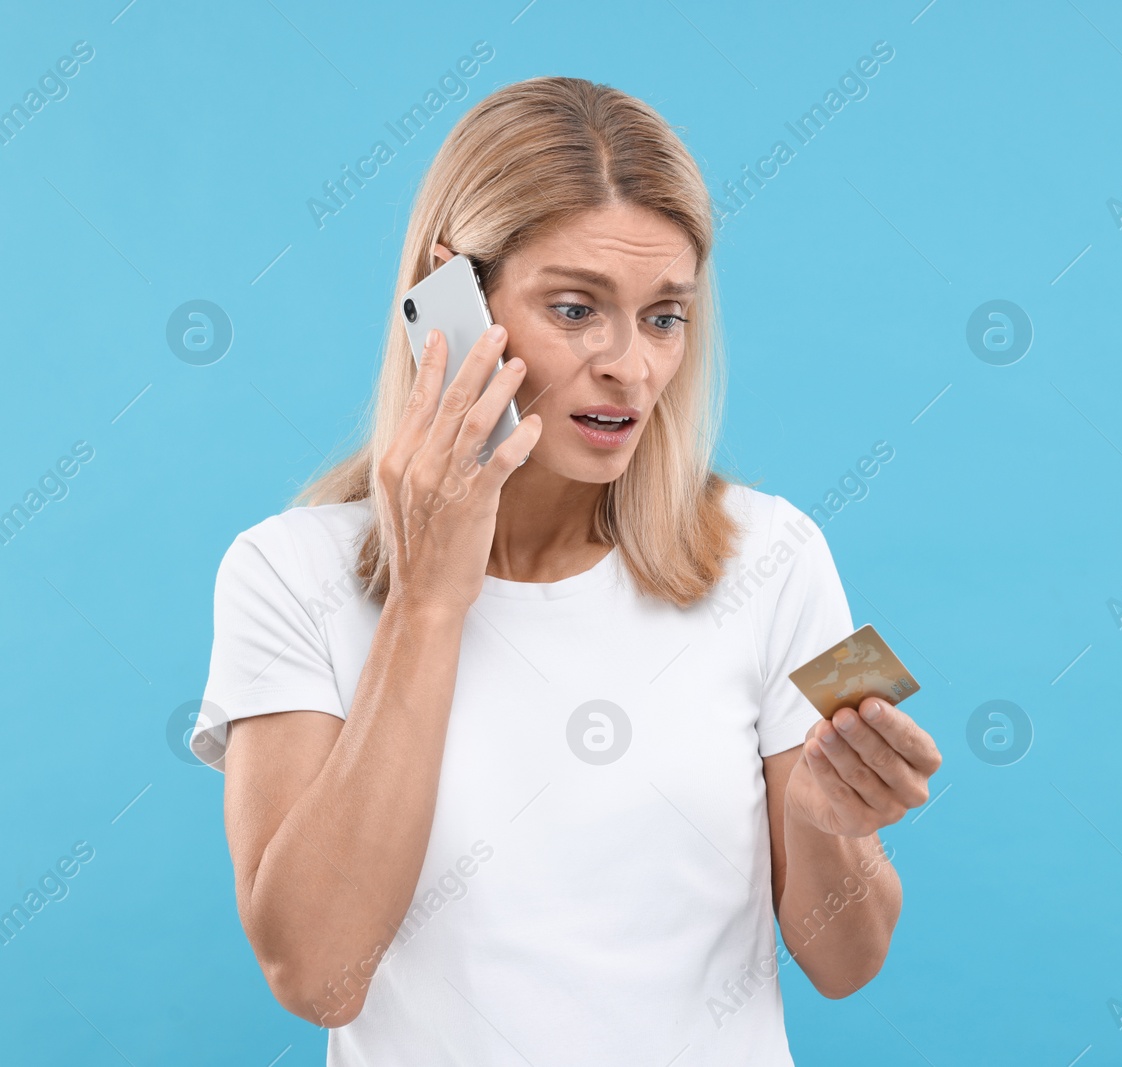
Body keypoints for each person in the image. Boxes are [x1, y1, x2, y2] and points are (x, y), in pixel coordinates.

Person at [193, 75, 942, 1065]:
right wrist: (429, 599)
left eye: (664, 315)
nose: (629, 367)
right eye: (577, 308)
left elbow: (851, 959)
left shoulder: (781, 553)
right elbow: (315, 972)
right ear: (447, 298)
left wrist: (830, 823)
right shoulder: (284, 573)